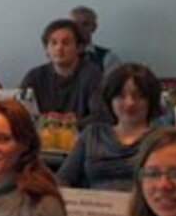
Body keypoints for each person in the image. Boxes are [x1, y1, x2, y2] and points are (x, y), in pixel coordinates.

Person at [58, 63, 161, 192]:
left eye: (138, 96)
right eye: (121, 96)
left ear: (151, 100)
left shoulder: (162, 139)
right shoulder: (92, 134)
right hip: (94, 203)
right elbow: (63, 179)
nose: (129, 103)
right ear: (110, 99)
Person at [19, 18, 104, 127]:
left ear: (79, 48)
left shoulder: (92, 75)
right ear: (46, 49)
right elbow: (19, 112)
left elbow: (101, 115)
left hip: (82, 134)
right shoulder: (34, 76)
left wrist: (64, 124)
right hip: (42, 134)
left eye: (66, 43)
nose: (59, 48)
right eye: (53, 43)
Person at [70, 5, 122, 73]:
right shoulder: (59, 55)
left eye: (85, 24)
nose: (79, 29)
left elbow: (114, 80)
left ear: (94, 27)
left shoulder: (108, 58)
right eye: (75, 25)